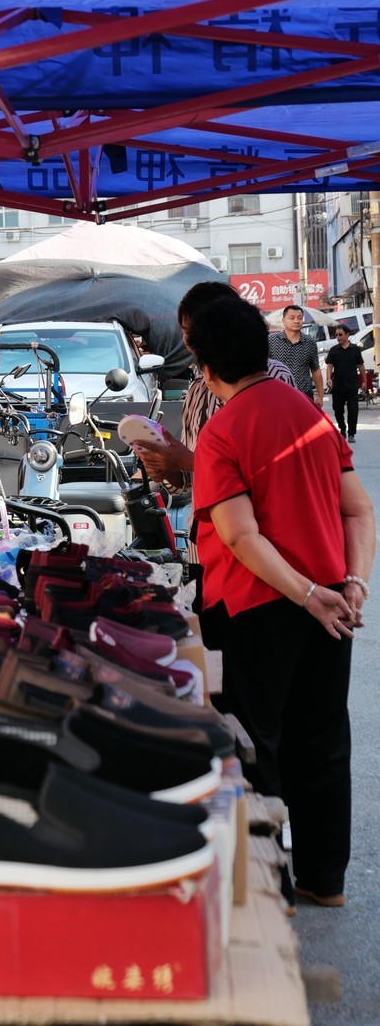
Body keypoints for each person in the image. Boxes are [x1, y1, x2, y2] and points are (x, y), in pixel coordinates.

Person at [187, 296, 374, 909]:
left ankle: (266, 889)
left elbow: (241, 537)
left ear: (205, 366)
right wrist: (351, 584)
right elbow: (360, 509)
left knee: (256, 743)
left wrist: (311, 594)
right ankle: (324, 881)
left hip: (259, 606)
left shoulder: (223, 431)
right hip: (328, 604)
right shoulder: (311, 415)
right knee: (322, 740)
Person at [133, 282, 294, 633]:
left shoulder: (273, 380)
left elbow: (268, 471)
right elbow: (187, 484)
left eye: (194, 332)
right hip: (204, 550)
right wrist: (167, 465)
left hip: (261, 553)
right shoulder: (196, 389)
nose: (190, 343)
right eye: (187, 333)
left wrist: (187, 460)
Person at [267, 304, 323, 405]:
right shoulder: (271, 340)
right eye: (292, 318)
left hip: (304, 395)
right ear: (283, 320)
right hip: (278, 396)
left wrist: (320, 396)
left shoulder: (310, 342)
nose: (296, 321)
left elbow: (315, 369)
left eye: (299, 318)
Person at [325, 325, 365, 443]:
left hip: (352, 385)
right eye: (336, 335)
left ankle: (351, 433)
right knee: (337, 410)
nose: (338, 337)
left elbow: (361, 366)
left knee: (353, 410)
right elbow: (329, 366)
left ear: (347, 334)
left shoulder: (355, 350)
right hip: (338, 386)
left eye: (340, 335)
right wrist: (328, 378)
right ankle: (342, 428)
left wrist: (364, 381)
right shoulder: (334, 350)